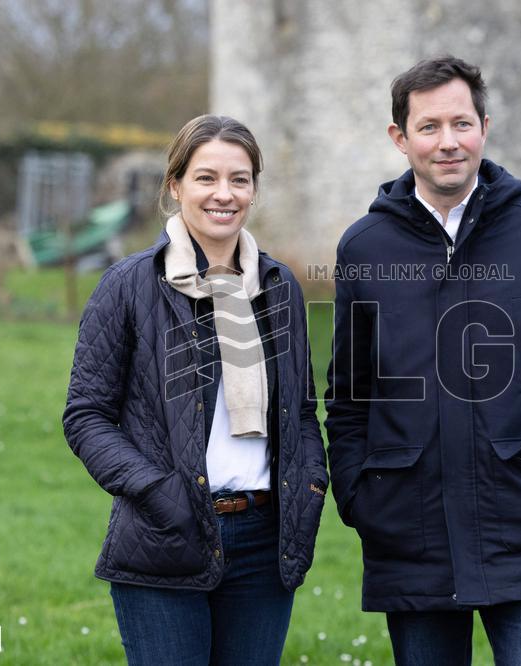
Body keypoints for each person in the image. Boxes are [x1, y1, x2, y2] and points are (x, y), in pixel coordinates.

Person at [325, 56, 521, 665]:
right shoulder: (364, 247)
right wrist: (360, 495)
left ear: (484, 126)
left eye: (462, 123)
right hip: (410, 533)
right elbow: (350, 392)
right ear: (399, 138)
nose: (448, 142)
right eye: (429, 127)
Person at [63, 114, 328, 666]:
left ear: (254, 188)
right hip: (165, 535)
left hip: (264, 541)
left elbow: (300, 411)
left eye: (240, 179)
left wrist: (308, 489)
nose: (224, 194)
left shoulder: (280, 290)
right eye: (206, 178)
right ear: (175, 185)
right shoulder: (129, 286)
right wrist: (160, 494)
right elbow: (86, 415)